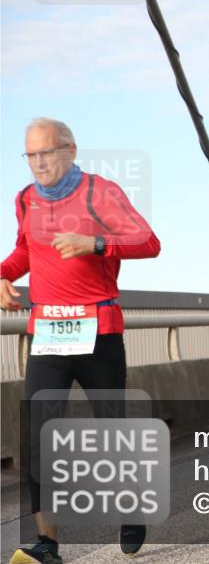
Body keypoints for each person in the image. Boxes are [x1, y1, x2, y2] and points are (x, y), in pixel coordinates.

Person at [3, 118, 160, 564]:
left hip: (98, 335)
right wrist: (3, 272)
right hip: (47, 337)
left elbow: (148, 241)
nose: (38, 163)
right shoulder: (25, 199)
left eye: (46, 153)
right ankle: (47, 544)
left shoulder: (99, 192)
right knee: (37, 436)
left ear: (70, 150)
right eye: (30, 155)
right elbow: (25, 251)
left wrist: (95, 243)